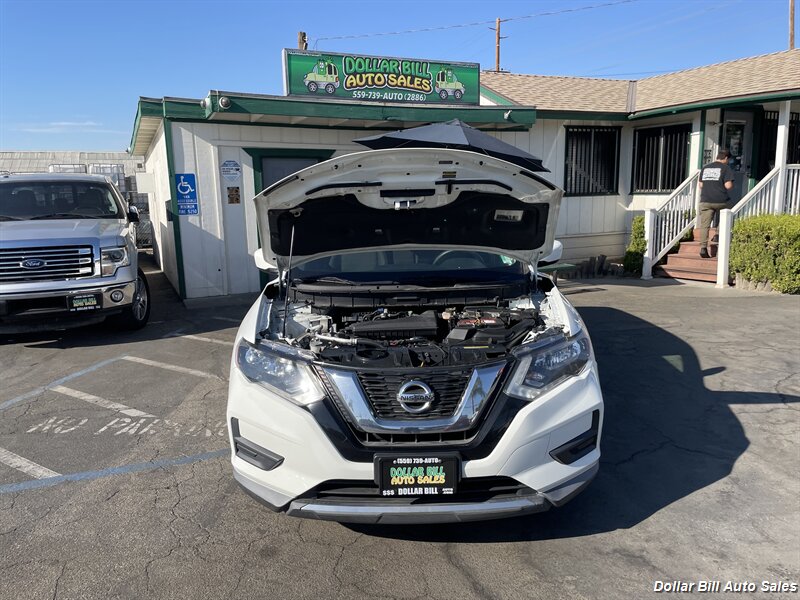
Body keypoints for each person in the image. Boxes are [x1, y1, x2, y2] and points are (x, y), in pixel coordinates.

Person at [697, 149, 735, 258]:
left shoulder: (705, 168)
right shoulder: (726, 168)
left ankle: (703, 248)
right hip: (721, 200)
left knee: (704, 225)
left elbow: (701, 185)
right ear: (726, 158)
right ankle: (718, 234)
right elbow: (728, 186)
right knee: (729, 212)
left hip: (705, 200)